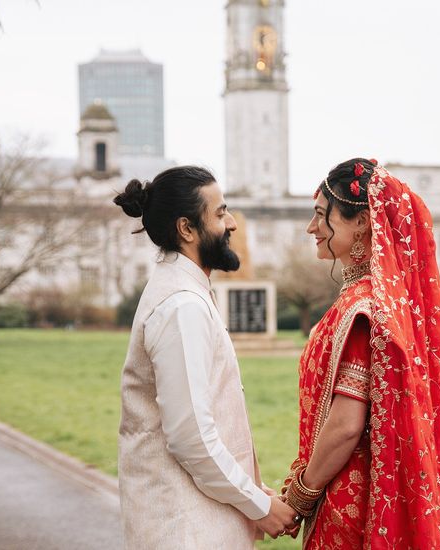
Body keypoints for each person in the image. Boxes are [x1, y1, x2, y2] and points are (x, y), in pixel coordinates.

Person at [279, 159, 440, 549]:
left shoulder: (364, 308)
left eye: (321, 215)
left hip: (354, 503)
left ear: (362, 222)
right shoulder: (387, 302)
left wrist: (300, 495)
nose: (311, 228)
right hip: (374, 493)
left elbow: (347, 424)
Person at [113, 166, 298, 548]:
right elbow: (191, 437)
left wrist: (255, 490)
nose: (231, 222)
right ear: (187, 229)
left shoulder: (186, 292)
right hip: (185, 530)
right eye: (220, 213)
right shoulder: (182, 306)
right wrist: (260, 505)